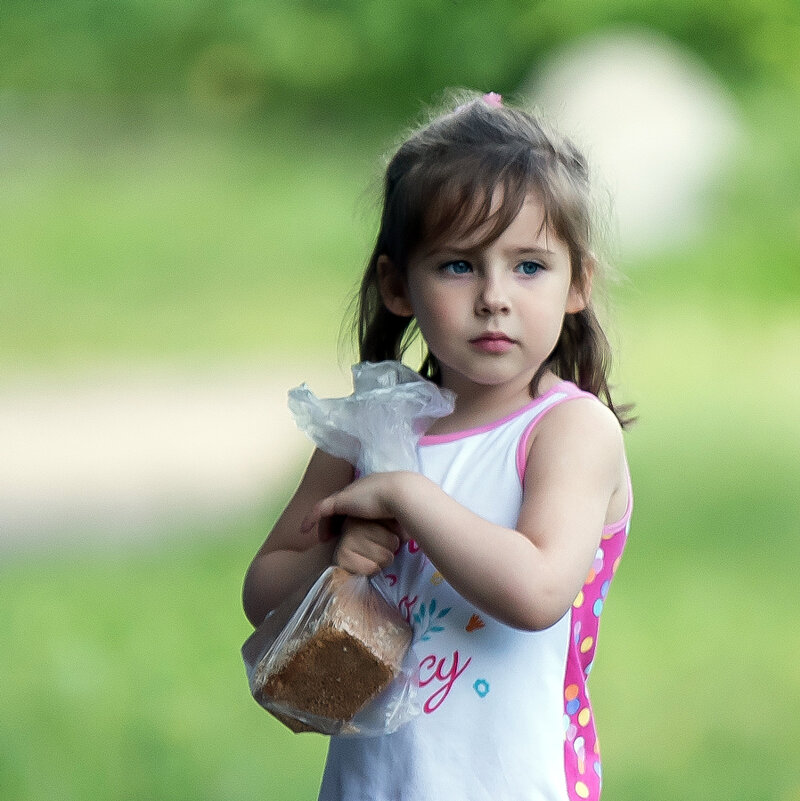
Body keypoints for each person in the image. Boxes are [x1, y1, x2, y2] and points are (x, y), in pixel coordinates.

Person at [243, 90, 634, 801]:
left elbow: (538, 590)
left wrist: (406, 496)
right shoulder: (370, 431)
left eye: (528, 266)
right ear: (398, 284)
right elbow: (262, 589)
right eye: (458, 265)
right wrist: (334, 555)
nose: (493, 295)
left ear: (578, 281)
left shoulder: (568, 431)